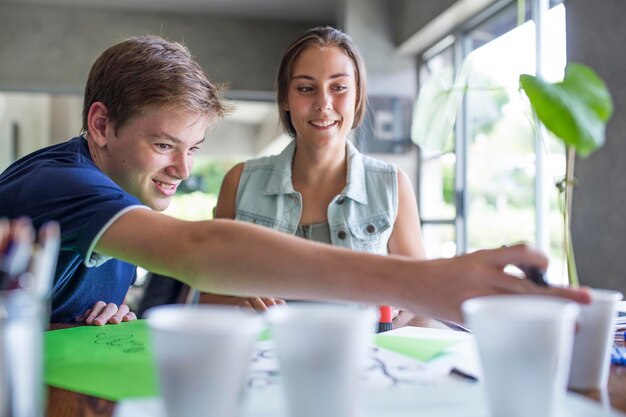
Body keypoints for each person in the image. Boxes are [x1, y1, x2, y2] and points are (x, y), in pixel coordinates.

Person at [0, 35, 589, 326]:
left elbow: (40, 304)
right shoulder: (60, 182)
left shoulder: (123, 199)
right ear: (100, 125)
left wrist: (86, 320)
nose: (182, 171)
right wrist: (425, 282)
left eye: (193, 149)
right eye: (163, 146)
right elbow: (202, 249)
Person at [199, 27, 427, 327]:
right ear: (285, 99)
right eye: (306, 88)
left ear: (358, 96)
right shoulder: (239, 182)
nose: (323, 104)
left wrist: (401, 307)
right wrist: (243, 305)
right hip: (262, 362)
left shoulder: (391, 184)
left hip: (360, 362)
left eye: (339, 87)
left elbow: (422, 301)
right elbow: (208, 298)